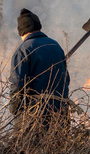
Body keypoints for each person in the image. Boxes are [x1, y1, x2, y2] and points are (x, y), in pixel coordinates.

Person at [8, 8, 70, 145]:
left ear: (22, 32)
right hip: (61, 113)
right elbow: (67, 80)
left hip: (35, 115)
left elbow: (17, 86)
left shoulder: (23, 50)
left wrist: (15, 111)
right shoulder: (56, 46)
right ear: (39, 27)